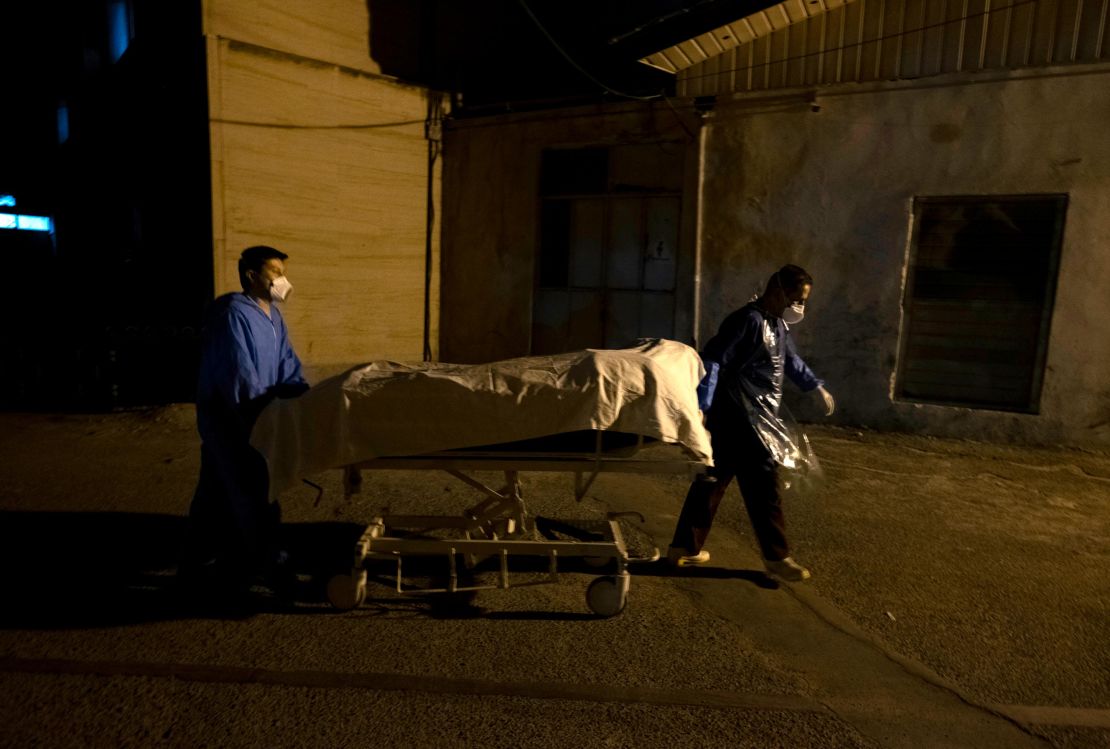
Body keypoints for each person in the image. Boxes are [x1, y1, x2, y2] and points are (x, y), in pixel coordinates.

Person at [668, 264, 835, 582]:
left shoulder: (777, 325)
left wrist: (814, 385)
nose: (800, 306)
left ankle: (683, 548)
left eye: (803, 300)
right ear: (778, 291)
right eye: (797, 298)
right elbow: (714, 359)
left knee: (712, 482)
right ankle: (777, 558)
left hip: (757, 417)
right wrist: (702, 405)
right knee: (763, 486)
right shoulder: (747, 321)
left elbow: (790, 360)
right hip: (738, 417)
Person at [181, 245, 309, 598]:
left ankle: (197, 563)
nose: (282, 281)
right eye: (275, 273)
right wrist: (261, 417)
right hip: (234, 422)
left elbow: (287, 364)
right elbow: (239, 375)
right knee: (255, 494)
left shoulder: (273, 316)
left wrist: (303, 399)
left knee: (215, 493)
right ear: (252, 276)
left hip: (256, 416)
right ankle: (274, 569)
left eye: (282, 273)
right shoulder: (231, 315)